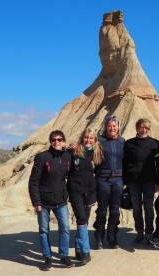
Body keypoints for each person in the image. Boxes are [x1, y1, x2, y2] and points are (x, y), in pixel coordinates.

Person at [28, 130, 75, 271]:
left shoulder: (68, 156)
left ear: (64, 141)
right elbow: (33, 182)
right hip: (43, 201)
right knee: (43, 230)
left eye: (60, 139)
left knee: (65, 229)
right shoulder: (42, 157)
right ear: (50, 141)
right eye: (54, 140)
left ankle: (64, 255)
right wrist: (36, 202)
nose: (57, 142)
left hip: (60, 200)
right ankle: (47, 258)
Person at [123, 118, 159, 247]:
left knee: (149, 208)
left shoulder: (155, 144)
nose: (143, 129)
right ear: (137, 128)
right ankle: (139, 232)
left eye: (146, 127)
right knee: (136, 208)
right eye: (141, 127)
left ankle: (149, 235)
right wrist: (125, 180)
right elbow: (124, 163)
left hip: (149, 182)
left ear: (149, 129)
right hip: (133, 182)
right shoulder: (129, 144)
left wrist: (158, 182)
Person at [68, 128, 103, 265]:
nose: (88, 140)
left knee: (84, 221)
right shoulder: (73, 152)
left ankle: (78, 249)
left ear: (94, 140)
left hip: (90, 192)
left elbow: (100, 170)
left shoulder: (97, 153)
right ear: (82, 138)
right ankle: (86, 252)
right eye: (86, 137)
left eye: (91, 138)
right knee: (82, 219)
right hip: (75, 190)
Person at [93, 116, 125, 249]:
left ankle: (112, 236)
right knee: (101, 210)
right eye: (109, 126)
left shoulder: (122, 141)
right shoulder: (99, 140)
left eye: (114, 126)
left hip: (118, 179)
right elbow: (87, 148)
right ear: (105, 127)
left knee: (115, 210)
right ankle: (99, 236)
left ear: (118, 127)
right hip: (102, 179)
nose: (112, 128)